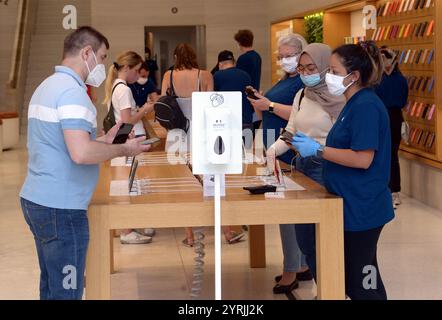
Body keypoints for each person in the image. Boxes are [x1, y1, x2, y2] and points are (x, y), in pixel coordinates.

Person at [19, 26, 151, 300]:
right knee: (67, 292)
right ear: (87, 52)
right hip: (62, 208)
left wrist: (105, 139)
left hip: (38, 199)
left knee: (52, 285)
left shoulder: (47, 86)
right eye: (102, 57)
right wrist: (124, 149)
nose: (103, 64)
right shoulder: (72, 93)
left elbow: (65, 142)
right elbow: (80, 153)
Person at [291, 41, 394, 300]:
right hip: (349, 203)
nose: (329, 77)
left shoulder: (366, 105)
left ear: (354, 76)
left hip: (362, 206)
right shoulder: (352, 102)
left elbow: (363, 159)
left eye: (334, 72)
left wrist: (318, 150)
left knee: (362, 281)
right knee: (358, 276)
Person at [267, 43, 346, 294]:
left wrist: (317, 147)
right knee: (305, 238)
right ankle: (317, 282)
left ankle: (329, 290)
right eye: (302, 68)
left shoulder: (339, 97)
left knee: (325, 236)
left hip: (327, 168)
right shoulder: (301, 95)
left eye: (312, 67)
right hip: (301, 167)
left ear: (324, 66)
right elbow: (291, 131)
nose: (305, 72)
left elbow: (343, 137)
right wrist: (274, 150)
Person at [160, 43, 215, 247]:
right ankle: (215, 223)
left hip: (177, 130)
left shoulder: (169, 75)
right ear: (194, 55)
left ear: (175, 57)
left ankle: (190, 234)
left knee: (181, 180)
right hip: (200, 129)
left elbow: (163, 99)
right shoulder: (205, 75)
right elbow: (212, 103)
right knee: (205, 177)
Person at [103, 51, 156, 244]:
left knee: (126, 184)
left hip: (122, 141)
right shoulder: (123, 89)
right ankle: (126, 230)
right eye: (135, 71)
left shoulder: (116, 87)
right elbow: (127, 121)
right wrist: (144, 110)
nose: (138, 75)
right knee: (128, 185)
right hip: (127, 141)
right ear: (126, 68)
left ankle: (126, 227)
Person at [248, 33, 306, 164]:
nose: (284, 60)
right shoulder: (284, 80)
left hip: (287, 148)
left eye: (289, 56)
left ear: (302, 54)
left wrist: (270, 105)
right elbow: (266, 115)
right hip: (271, 146)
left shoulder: (302, 81)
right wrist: (258, 103)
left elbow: (301, 115)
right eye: (281, 57)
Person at [375, 46, 409, 209]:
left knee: (392, 155)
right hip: (381, 117)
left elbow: (402, 101)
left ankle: (393, 191)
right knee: (382, 154)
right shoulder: (377, 79)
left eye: (386, 58)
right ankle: (384, 190)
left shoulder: (399, 79)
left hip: (394, 118)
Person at [213, 50, 254, 131]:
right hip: (246, 120)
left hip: (227, 122)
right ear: (234, 63)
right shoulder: (246, 75)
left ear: (220, 64)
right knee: (246, 144)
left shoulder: (217, 75)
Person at [234, 29, 262, 131]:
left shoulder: (243, 58)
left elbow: (238, 79)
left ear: (239, 43)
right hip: (255, 93)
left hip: (244, 96)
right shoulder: (257, 56)